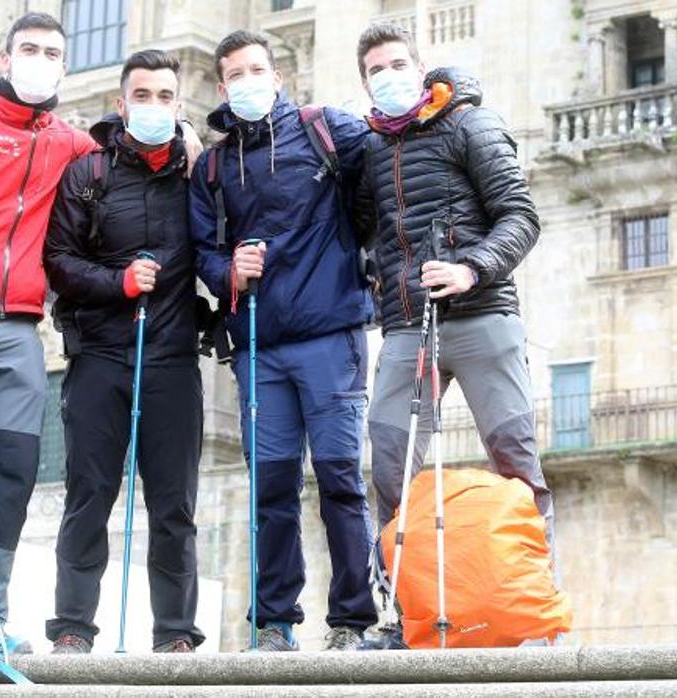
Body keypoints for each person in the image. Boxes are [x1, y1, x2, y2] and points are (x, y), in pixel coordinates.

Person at [0, 12, 201, 650]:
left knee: (12, 473)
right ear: (6, 60)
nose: (40, 60)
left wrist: (187, 135)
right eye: (28, 49)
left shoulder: (71, 145)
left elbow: (127, 154)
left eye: (52, 52)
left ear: (63, 65)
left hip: (19, 329)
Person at [353, 23, 554, 626]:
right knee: (388, 466)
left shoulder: (472, 124)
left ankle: (533, 613)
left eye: (396, 64)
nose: (387, 76)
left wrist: (472, 268)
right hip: (408, 328)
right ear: (364, 81)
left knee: (516, 462)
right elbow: (365, 232)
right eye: (374, 71)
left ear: (420, 68)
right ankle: (400, 616)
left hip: (484, 316)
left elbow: (521, 216)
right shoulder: (369, 150)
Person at [188, 30, 376, 652]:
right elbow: (201, 253)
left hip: (331, 338)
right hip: (257, 348)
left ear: (278, 74)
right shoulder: (211, 166)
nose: (248, 82)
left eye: (257, 70)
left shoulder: (327, 129)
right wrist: (227, 273)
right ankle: (273, 624)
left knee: (341, 482)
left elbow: (389, 157)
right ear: (221, 87)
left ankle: (352, 622)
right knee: (271, 489)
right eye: (235, 74)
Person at [42, 49, 205, 655]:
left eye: (165, 97)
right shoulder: (87, 173)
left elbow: (215, 248)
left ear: (179, 106)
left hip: (171, 357)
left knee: (173, 506)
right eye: (143, 96)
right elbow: (58, 260)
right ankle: (71, 629)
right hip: (100, 357)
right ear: (122, 103)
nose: (154, 106)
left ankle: (175, 636)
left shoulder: (198, 174)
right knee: (88, 496)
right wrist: (118, 283)